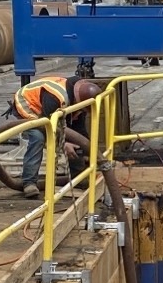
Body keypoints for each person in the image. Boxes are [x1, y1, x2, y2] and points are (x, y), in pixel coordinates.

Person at [8, 65, 99, 199]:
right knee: (38, 137)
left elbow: (79, 131)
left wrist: (88, 153)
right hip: (29, 106)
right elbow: (49, 126)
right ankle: (29, 183)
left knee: (75, 141)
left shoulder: (80, 100)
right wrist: (64, 144)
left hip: (50, 112)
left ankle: (78, 178)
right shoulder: (55, 97)